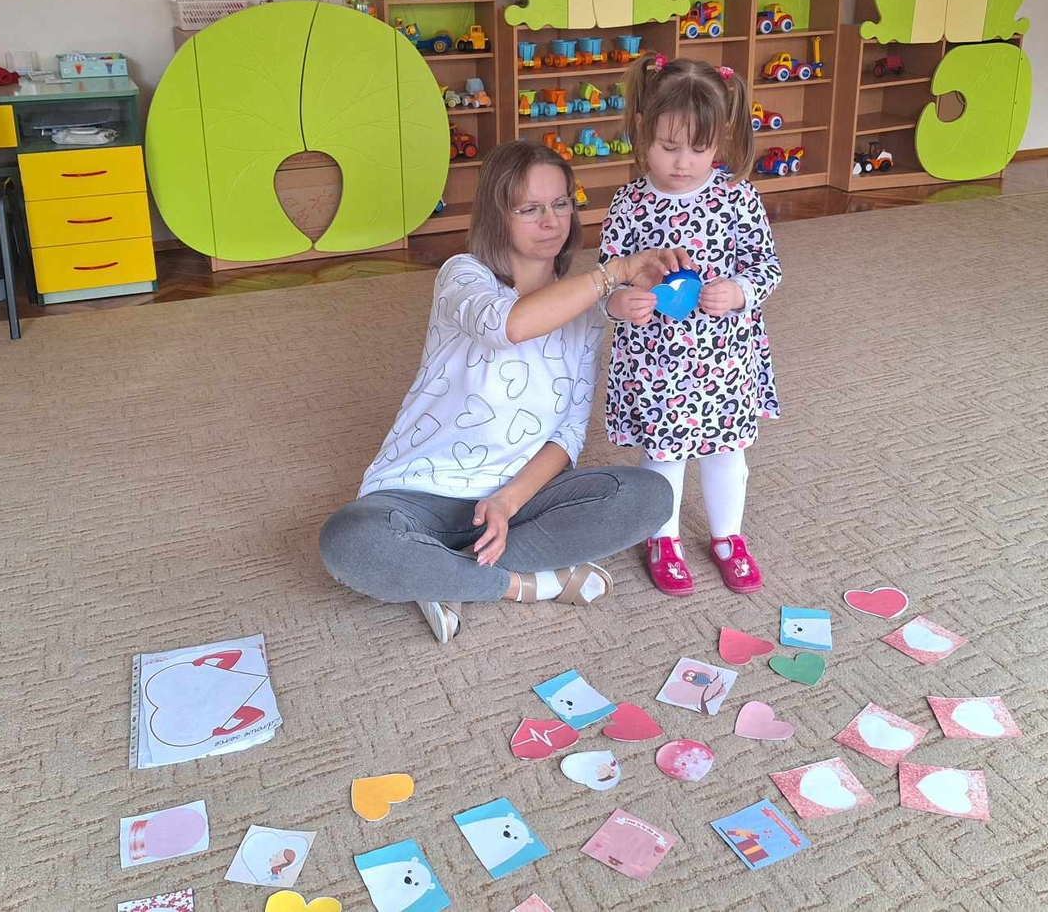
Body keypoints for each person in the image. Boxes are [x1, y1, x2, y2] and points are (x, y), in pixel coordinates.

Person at [319, 140, 691, 643]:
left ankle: (441, 575)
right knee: (350, 541)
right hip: (419, 492)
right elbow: (507, 325)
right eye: (529, 209)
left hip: (517, 502)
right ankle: (519, 585)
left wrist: (508, 501)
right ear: (498, 215)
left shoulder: (587, 310)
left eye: (561, 203)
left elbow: (568, 436)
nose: (551, 221)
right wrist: (615, 273)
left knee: (648, 496)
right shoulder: (462, 274)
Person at [600, 54, 782, 596]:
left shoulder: (738, 197)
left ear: (720, 141)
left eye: (699, 149)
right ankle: (663, 538)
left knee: (728, 453)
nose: (682, 163)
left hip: (724, 359)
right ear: (643, 130)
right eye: (668, 146)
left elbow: (767, 266)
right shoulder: (629, 204)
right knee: (664, 455)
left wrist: (740, 290)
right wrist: (620, 303)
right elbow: (606, 278)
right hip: (657, 363)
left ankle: (728, 537)